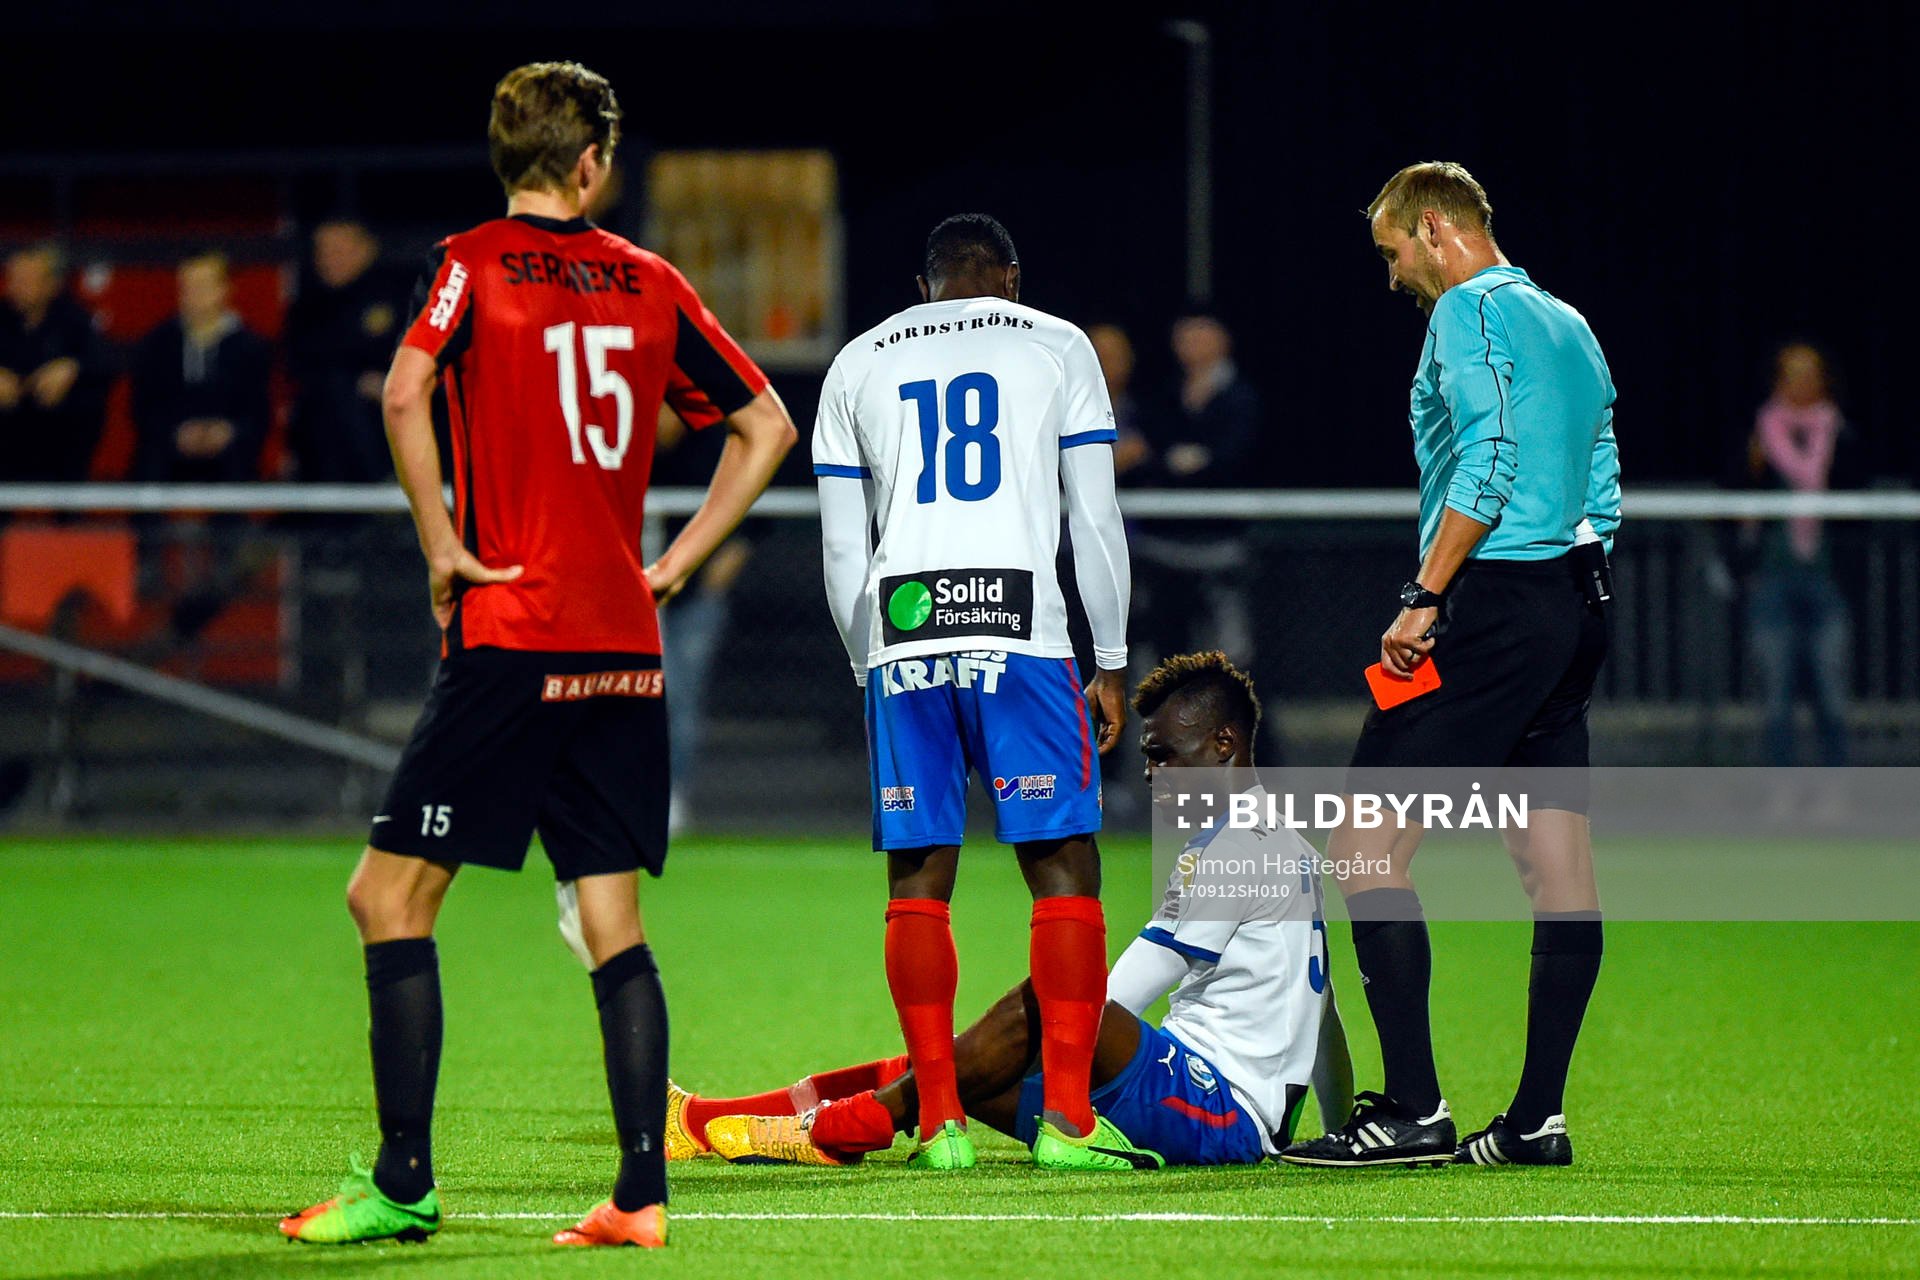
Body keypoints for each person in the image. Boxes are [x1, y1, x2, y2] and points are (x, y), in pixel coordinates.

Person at [277, 61, 796, 1250]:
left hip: (515, 631)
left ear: (508, 154)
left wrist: (443, 545)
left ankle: (404, 1178)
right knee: (611, 917)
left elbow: (407, 390)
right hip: (622, 638)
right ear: (593, 162)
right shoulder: (650, 279)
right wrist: (671, 562)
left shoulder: (471, 262)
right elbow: (766, 422)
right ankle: (638, 1195)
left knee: (386, 895)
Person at [658, 652, 1353, 1168]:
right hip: (1215, 1105)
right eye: (1148, 758)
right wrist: (1337, 1126)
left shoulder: (1231, 848)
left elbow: (1115, 993)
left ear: (1225, 744)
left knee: (1050, 1000)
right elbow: (1322, 1012)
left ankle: (851, 1127)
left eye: (1166, 756)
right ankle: (705, 1123)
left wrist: (1056, 1029)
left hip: (1213, 1109)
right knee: (942, 1070)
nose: (1152, 774)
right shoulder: (1288, 843)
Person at [1280, 162, 1619, 1170]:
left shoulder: (1466, 314)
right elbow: (1599, 468)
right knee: (1557, 866)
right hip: (1574, 596)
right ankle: (1534, 1120)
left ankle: (1414, 1110)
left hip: (1493, 602)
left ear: (1434, 227)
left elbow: (1492, 451)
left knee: (1363, 845)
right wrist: (1572, 588)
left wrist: (1428, 592)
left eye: (1392, 252)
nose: (1392, 275)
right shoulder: (1569, 320)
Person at [812, 213, 1136, 1172]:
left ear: (926, 287)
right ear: (1012, 276)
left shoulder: (858, 361)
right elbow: (1096, 516)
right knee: (1062, 865)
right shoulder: (1058, 345)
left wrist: (869, 663)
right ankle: (1068, 1123)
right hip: (1024, 632)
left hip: (904, 632)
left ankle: (944, 1123)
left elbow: (842, 549)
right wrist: (1108, 657)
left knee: (919, 875)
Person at [1128, 315, 1261, 668]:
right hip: (1162, 548)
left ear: (1223, 339)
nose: (1192, 344)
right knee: (1163, 649)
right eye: (1184, 336)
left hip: (1221, 546)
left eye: (1201, 335)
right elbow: (1144, 454)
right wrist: (1176, 462)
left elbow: (1234, 460)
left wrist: (1188, 462)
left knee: (1231, 654)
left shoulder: (1243, 397)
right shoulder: (1163, 394)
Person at [1747, 343, 1850, 767]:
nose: (1800, 382)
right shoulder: (1759, 433)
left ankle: (1837, 797)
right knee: (1776, 695)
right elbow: (1734, 502)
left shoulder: (1841, 434)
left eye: (1809, 373)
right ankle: (1781, 799)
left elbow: (1857, 501)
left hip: (1827, 580)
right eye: (1791, 373)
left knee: (1832, 694)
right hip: (1772, 579)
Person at [284, 218, 414, 483]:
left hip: (392, 401)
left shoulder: (399, 296)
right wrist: (352, 379)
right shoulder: (306, 305)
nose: (328, 259)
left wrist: (388, 379)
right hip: (323, 406)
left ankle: (382, 489)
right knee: (332, 401)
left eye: (339, 250)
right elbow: (297, 361)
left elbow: (421, 350)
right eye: (322, 252)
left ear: (366, 249)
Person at [129, 253, 273, 483]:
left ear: (224, 289)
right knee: (149, 461)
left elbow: (259, 411)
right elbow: (143, 407)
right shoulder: (158, 343)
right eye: (188, 287)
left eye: (203, 286)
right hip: (169, 443)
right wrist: (177, 433)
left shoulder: (251, 346)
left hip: (230, 446)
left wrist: (227, 431)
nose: (194, 295)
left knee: (239, 463)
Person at [0, 243, 111, 482]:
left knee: (86, 403)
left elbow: (104, 360)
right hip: (7, 423)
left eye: (26, 280)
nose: (16, 287)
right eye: (13, 279)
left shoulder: (74, 318)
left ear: (51, 284)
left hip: (59, 425)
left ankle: (69, 511)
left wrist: (72, 368)